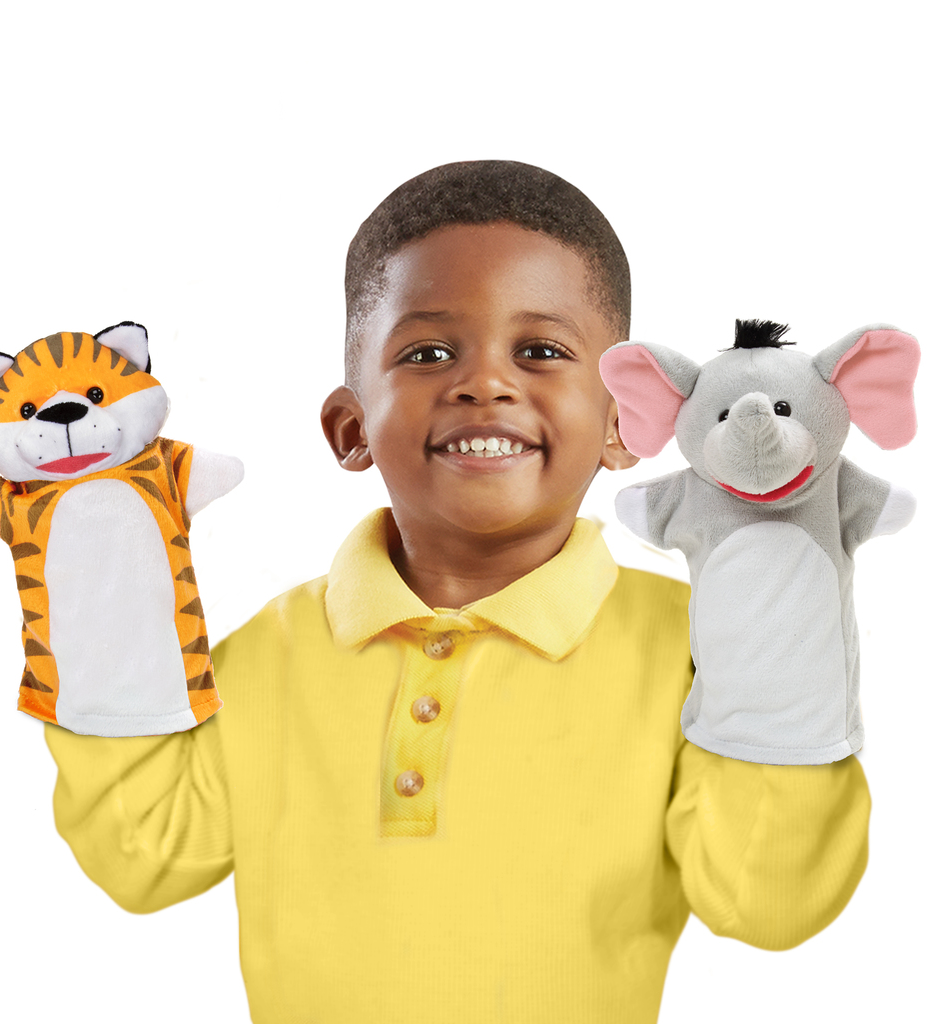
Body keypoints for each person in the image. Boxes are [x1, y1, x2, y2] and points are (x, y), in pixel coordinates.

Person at [46, 160, 870, 1023]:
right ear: (351, 428)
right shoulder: (267, 654)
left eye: (541, 351)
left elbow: (768, 901)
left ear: (625, 424)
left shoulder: (701, 648)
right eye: (428, 353)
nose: (486, 383)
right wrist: (96, 566)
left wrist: (783, 618)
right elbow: (142, 856)